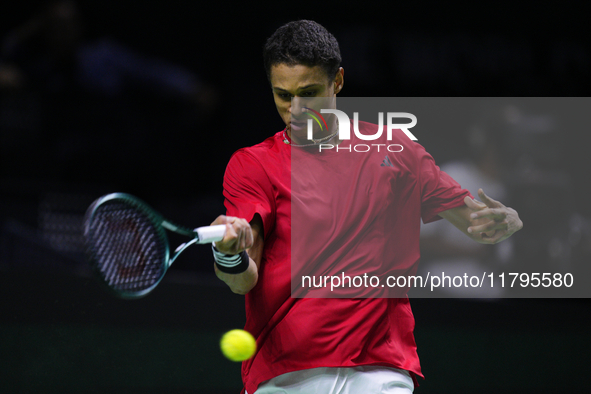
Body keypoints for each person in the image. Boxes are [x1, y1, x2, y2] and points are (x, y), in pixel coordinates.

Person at [210, 20, 523, 394]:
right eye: (282, 95)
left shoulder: (396, 149)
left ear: (337, 81)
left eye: (308, 93)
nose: (296, 110)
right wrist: (228, 253)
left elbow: (475, 222)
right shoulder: (253, 164)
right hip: (286, 373)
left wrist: (501, 221)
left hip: (379, 369)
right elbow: (243, 279)